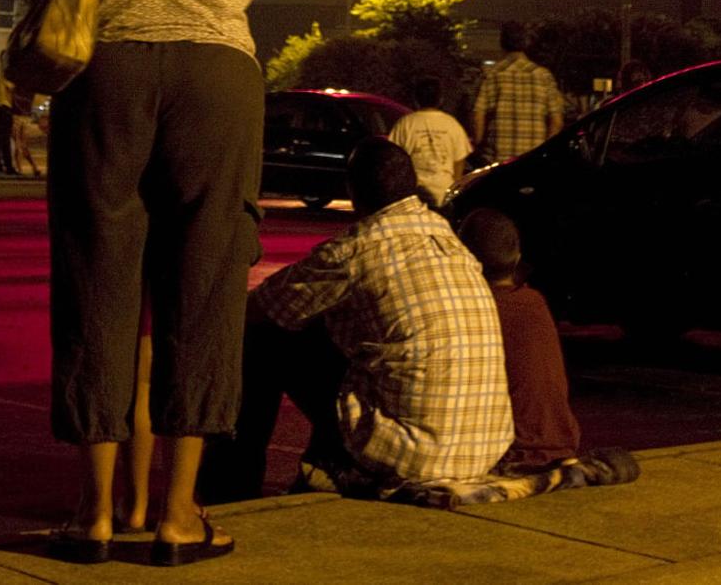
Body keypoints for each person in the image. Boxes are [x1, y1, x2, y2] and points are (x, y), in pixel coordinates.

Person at [44, 0, 274, 568]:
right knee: (204, 284)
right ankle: (179, 518)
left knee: (97, 278)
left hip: (108, 74)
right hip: (218, 79)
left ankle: (94, 515)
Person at [202, 137, 513, 501]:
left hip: (416, 457)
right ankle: (321, 463)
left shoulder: (357, 250)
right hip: (486, 445)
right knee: (351, 341)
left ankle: (228, 488)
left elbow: (263, 307)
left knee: (264, 339)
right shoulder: (448, 241)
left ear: (353, 191)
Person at [457, 209, 581, 472]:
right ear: (517, 257)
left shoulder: (481, 310)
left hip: (514, 453)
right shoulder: (533, 301)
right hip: (561, 445)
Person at [472, 22, 564, 162]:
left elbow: (478, 116)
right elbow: (556, 121)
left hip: (497, 159)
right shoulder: (544, 76)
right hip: (532, 160)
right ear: (526, 43)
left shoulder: (491, 75)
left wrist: (478, 144)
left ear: (502, 43)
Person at [388, 75, 472, 207]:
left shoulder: (405, 124)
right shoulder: (452, 125)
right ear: (440, 99)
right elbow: (459, 163)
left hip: (413, 195)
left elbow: (394, 158)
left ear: (416, 99)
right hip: (444, 194)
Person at [0, 77, 17, 176]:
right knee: (4, 140)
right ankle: (7, 167)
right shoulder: (2, 79)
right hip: (3, 108)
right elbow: (12, 86)